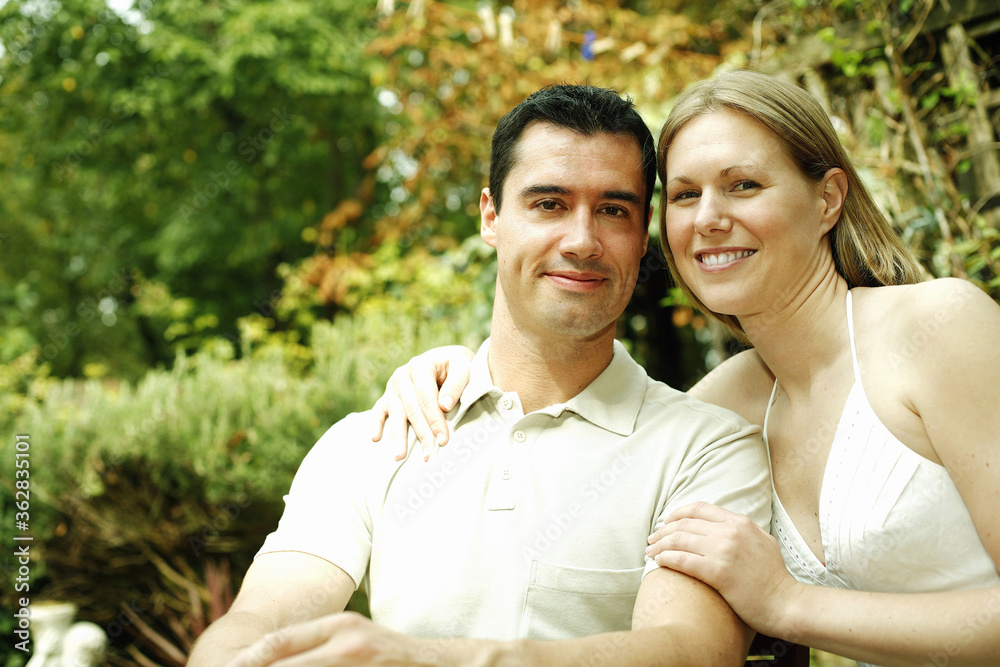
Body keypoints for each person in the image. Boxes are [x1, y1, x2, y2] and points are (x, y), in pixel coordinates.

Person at [373, 69, 1000, 667]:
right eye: (685, 195)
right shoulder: (729, 407)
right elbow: (589, 427)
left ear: (828, 198)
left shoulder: (936, 329)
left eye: (744, 186)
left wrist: (789, 603)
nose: (708, 219)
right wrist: (454, 375)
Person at [188, 84, 772, 667]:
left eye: (613, 211)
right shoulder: (376, 440)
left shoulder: (708, 449)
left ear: (642, 231)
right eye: (549, 204)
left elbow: (693, 651)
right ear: (491, 216)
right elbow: (257, 621)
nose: (582, 241)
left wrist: (422, 659)